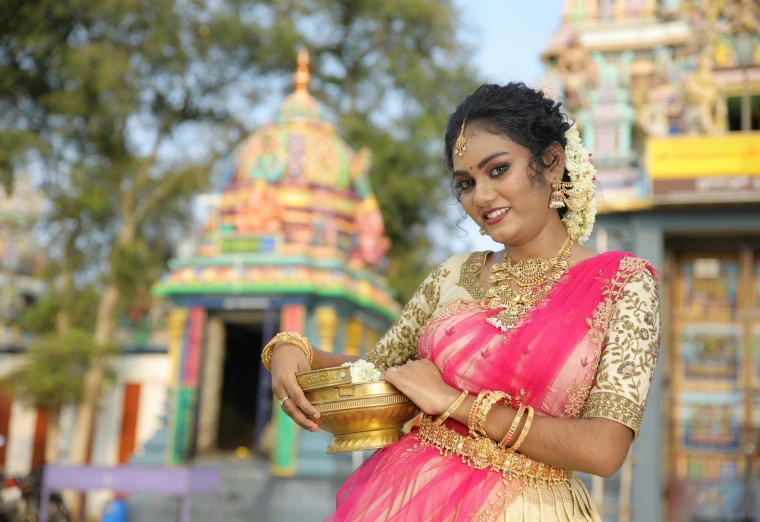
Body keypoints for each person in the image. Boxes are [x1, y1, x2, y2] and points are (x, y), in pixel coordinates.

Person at [264, 82, 660, 522]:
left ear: (551, 162)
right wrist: (293, 349)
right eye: (466, 183)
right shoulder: (452, 275)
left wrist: (453, 403)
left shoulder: (624, 283)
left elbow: (603, 450)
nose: (481, 197)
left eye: (498, 170)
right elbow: (376, 374)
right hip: (410, 497)